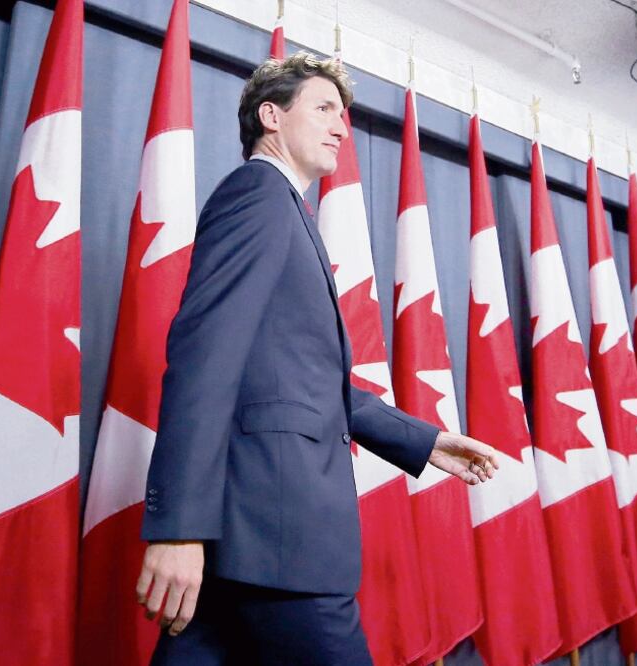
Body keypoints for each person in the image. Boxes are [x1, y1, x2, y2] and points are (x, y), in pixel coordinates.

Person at [136, 51, 499, 664]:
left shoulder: (284, 207)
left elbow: (302, 380)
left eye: (345, 112)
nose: (340, 125)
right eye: (325, 107)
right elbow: (204, 357)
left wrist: (425, 441)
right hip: (281, 534)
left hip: (256, 535)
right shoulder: (257, 194)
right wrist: (177, 526)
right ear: (271, 116)